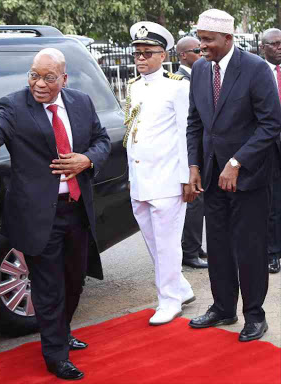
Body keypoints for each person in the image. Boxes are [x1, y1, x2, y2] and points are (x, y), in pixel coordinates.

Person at [0, 48, 111, 380]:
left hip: (76, 211)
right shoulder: (14, 106)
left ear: (63, 78)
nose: (39, 83)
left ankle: (62, 331)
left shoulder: (81, 103)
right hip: (38, 215)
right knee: (48, 288)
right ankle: (55, 354)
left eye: (48, 77)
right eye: (34, 75)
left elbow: (102, 140)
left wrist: (86, 160)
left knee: (74, 282)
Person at [186, 9, 281, 342]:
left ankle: (254, 316)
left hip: (249, 178)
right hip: (212, 177)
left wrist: (237, 162)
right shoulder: (199, 70)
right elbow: (195, 123)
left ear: (228, 38)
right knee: (220, 247)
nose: (202, 45)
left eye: (208, 39)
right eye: (200, 38)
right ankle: (223, 308)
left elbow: (271, 123)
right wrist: (194, 165)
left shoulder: (254, 69)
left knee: (250, 248)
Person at [124, 21, 195, 326]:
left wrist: (187, 177)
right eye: (137, 53)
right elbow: (133, 133)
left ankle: (169, 301)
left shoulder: (178, 86)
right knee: (154, 241)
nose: (141, 58)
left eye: (148, 53)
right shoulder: (133, 86)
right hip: (140, 179)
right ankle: (180, 287)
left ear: (163, 55)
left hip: (167, 178)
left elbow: (186, 134)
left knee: (166, 243)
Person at [175, 36, 208, 269]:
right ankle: (190, 251)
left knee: (199, 200)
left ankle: (195, 245)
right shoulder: (180, 81)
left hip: (201, 146)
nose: (202, 52)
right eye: (197, 49)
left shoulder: (196, 75)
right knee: (194, 200)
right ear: (184, 55)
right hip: (189, 149)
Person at [260, 28, 281, 274]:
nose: (279, 47)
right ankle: (272, 252)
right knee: (273, 201)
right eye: (274, 44)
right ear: (263, 47)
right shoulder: (256, 70)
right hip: (268, 146)